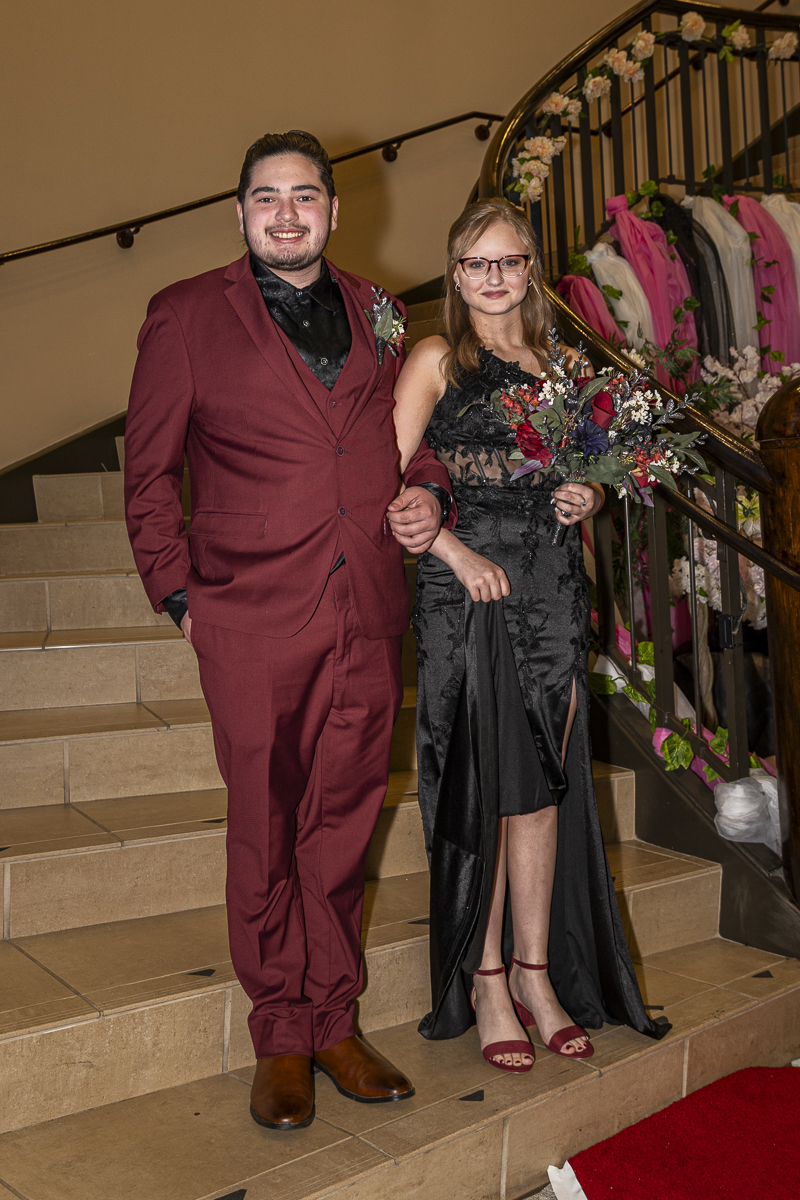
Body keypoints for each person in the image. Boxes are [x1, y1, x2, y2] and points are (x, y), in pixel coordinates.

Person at [124, 131, 455, 1129]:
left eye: (303, 195)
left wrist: (428, 496)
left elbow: (409, 443)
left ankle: (333, 1021)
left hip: (366, 608)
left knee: (343, 824)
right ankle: (279, 1033)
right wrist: (182, 600)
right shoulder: (185, 314)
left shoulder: (379, 309)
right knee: (266, 828)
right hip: (247, 616)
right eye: (265, 197)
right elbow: (148, 474)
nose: (285, 213)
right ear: (239, 213)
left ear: (332, 211)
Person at [392, 197, 660, 1073]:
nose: (494, 277)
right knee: (489, 788)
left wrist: (591, 494)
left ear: (531, 270)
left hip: (551, 589)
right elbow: (382, 485)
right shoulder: (434, 360)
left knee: (543, 784)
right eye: (476, 263)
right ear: (455, 274)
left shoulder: (562, 367)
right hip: (468, 591)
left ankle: (539, 976)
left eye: (508, 261)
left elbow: (582, 472)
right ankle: (487, 979)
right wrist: (452, 550)